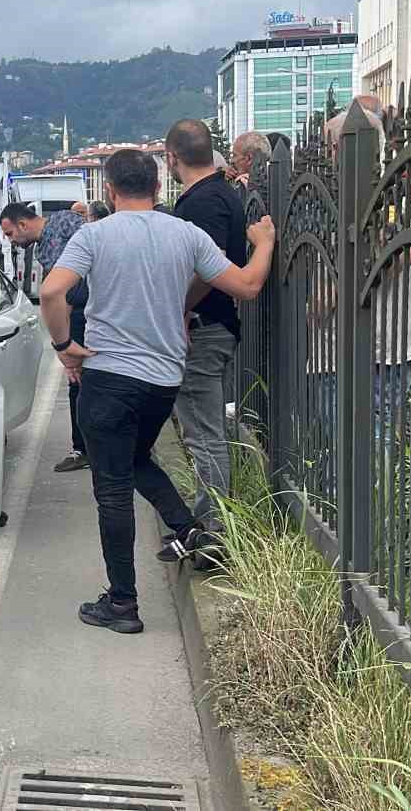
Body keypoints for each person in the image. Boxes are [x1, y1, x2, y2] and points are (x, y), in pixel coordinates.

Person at [39, 149, 275, 635]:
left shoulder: (95, 234)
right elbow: (247, 286)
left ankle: (122, 602)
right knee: (134, 456)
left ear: (108, 189)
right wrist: (265, 242)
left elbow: (50, 292)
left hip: (108, 378)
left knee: (112, 488)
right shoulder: (187, 234)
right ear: (157, 184)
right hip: (163, 380)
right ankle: (189, 528)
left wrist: (65, 346)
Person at [165, 118, 248, 529]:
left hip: (204, 326)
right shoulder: (221, 192)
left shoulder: (201, 200)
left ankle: (214, 529)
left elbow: (209, 263)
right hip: (214, 322)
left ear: (171, 157)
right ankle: (212, 519)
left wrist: (180, 308)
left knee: (203, 435)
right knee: (204, 432)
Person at [0, 201, 87, 471]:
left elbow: (60, 289)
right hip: (91, 314)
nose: (11, 242)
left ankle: (84, 449)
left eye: (11, 234)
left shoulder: (53, 238)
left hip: (82, 316)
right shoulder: (64, 222)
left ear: (22, 224)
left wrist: (62, 338)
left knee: (80, 382)